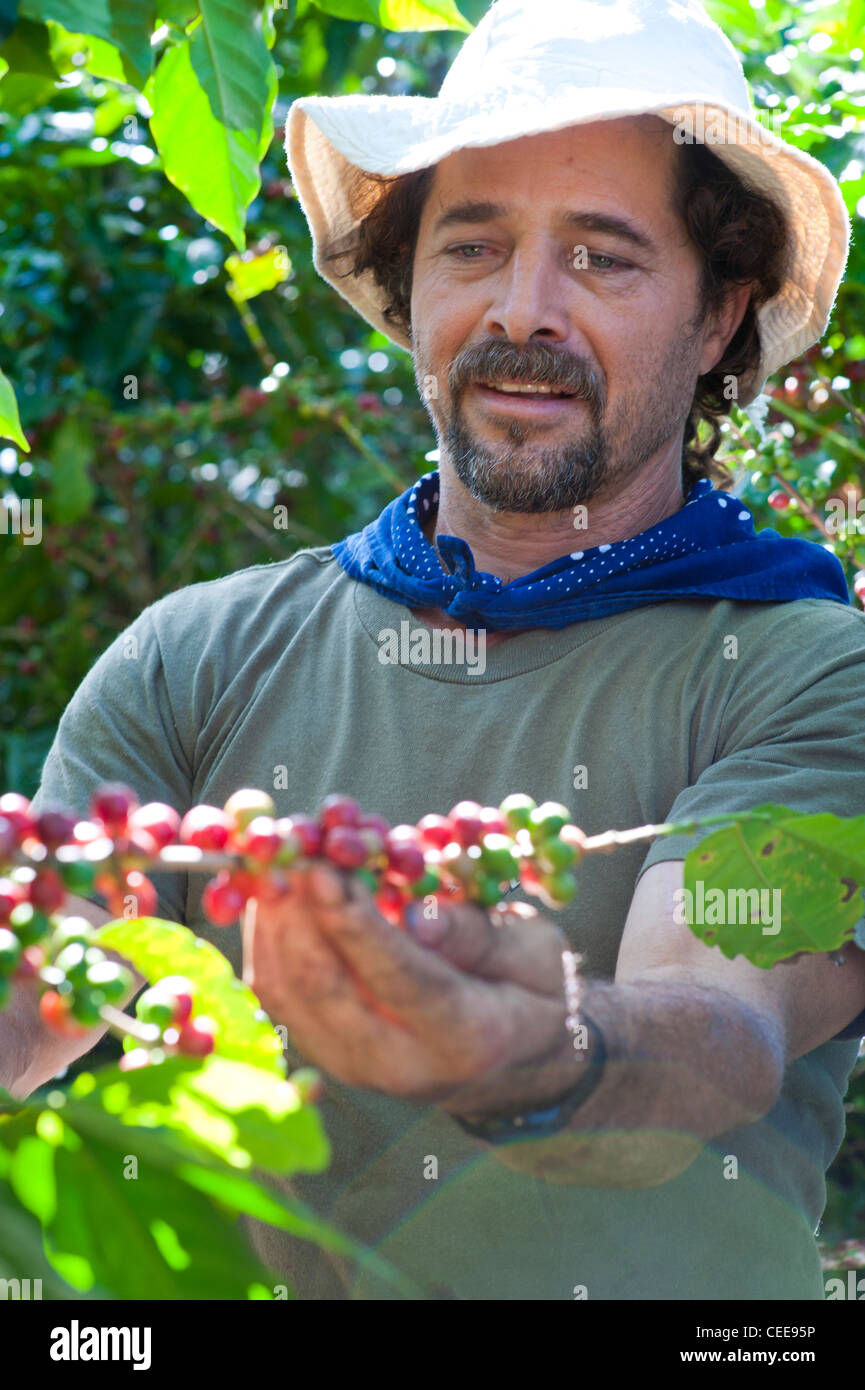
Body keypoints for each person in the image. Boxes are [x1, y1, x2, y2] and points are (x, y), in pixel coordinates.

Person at [17, 0, 865, 1299]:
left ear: (716, 318)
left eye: (603, 257)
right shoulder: (190, 659)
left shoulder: (811, 673)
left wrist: (533, 1048)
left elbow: (719, 1025)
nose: (522, 311)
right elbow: (39, 986)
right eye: (472, 245)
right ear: (410, 283)